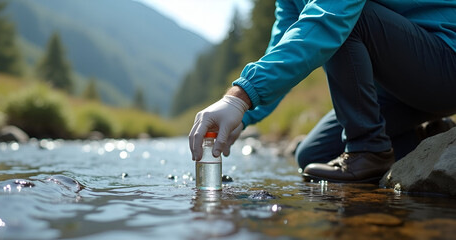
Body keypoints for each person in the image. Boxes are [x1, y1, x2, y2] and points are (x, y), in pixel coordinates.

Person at [189, 0, 456, 183]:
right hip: (402, 86)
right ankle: (427, 140)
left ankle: (370, 149)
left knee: (347, 19)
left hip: (446, 63)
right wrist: (243, 113)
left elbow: (328, 20)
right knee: (313, 156)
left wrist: (239, 98)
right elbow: (283, 45)